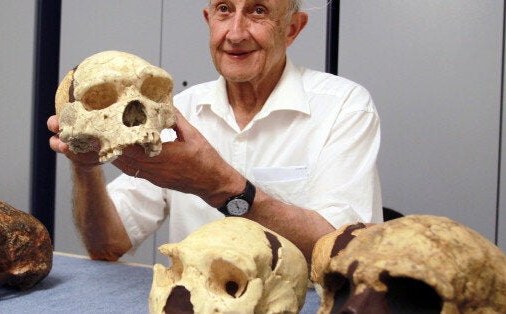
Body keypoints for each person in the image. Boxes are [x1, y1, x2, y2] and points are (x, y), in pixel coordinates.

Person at [48, 0, 382, 262]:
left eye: (259, 10)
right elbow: (107, 246)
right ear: (209, 20)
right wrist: (84, 167)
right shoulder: (176, 113)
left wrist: (220, 185)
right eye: (224, 9)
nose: (235, 34)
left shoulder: (344, 108)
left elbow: (345, 255)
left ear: (292, 28)